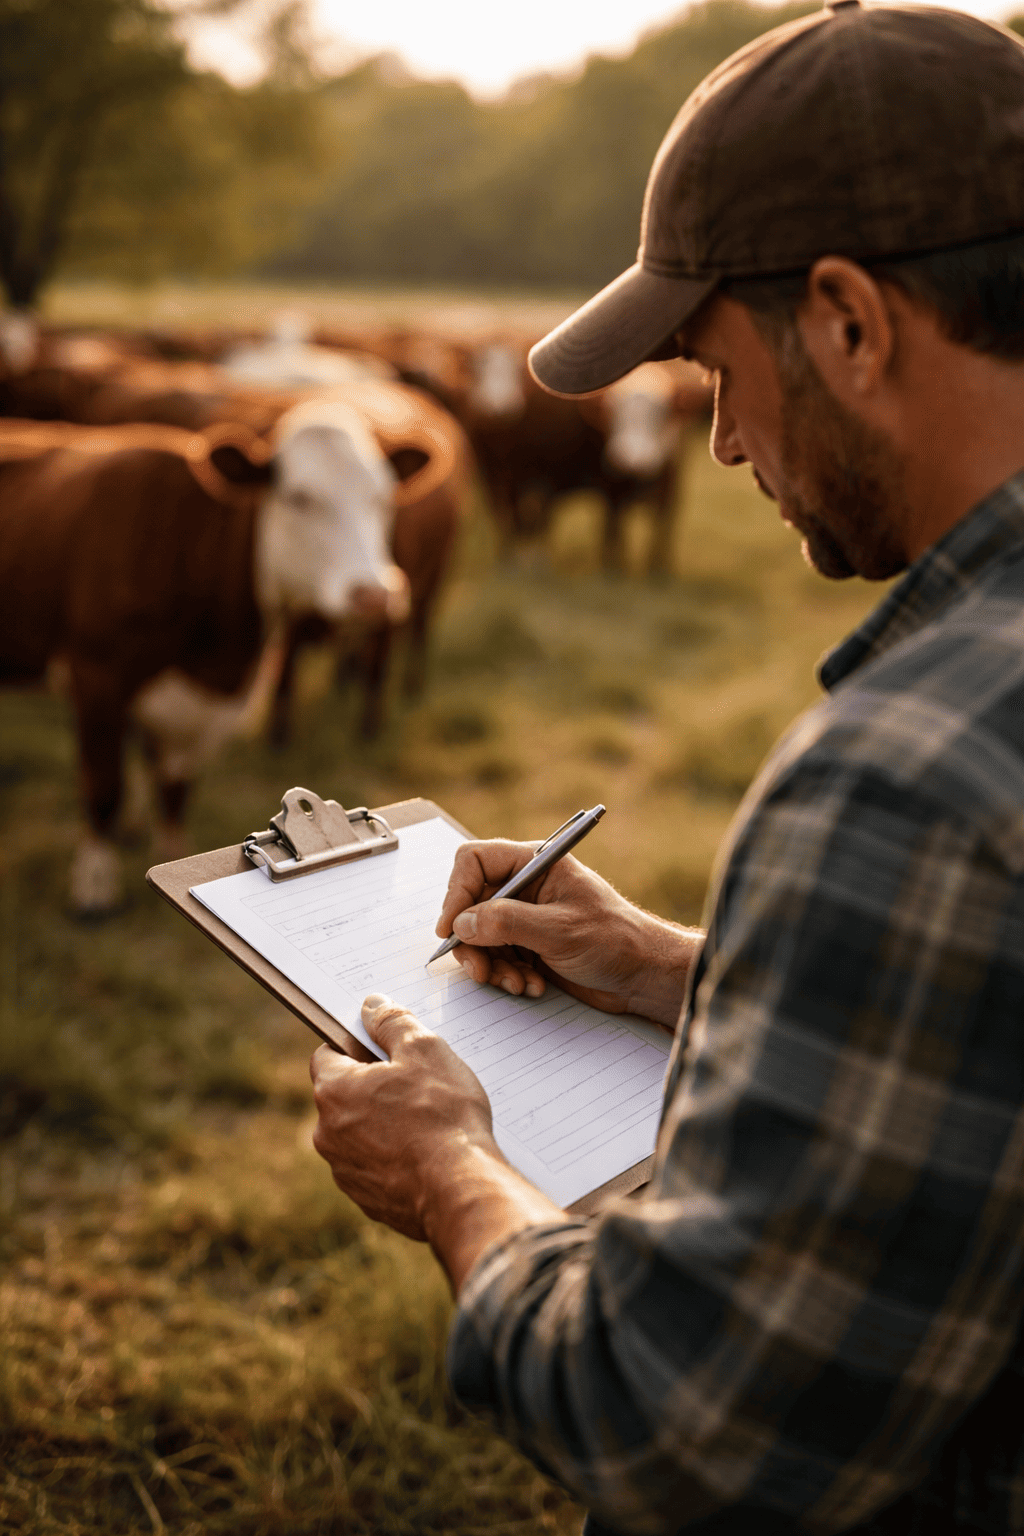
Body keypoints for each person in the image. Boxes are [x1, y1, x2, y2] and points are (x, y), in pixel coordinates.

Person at [309, 3, 1024, 1530]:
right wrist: (682, 972)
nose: (716, 443)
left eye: (710, 367)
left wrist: (449, 1166)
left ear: (847, 321)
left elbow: (685, 1425)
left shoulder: (908, 776)